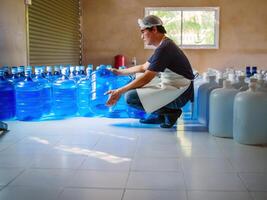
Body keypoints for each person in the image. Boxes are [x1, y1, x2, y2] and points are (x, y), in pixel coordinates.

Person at [106, 15, 194, 128]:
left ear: (154, 29)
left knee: (130, 97)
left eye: (143, 32)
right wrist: (119, 72)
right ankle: (160, 116)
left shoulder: (164, 48)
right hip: (174, 85)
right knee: (135, 79)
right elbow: (143, 67)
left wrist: (119, 91)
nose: (142, 36)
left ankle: (171, 112)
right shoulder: (164, 45)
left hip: (181, 93)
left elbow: (147, 77)